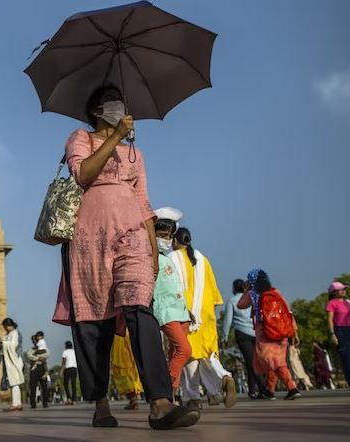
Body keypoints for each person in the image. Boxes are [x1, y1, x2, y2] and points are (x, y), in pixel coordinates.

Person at [53, 86, 199, 430]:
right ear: (97, 110)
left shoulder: (135, 154)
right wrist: (115, 134)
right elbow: (83, 174)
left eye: (123, 102)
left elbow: (144, 201)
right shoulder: (81, 138)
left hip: (132, 235)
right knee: (94, 323)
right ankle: (101, 403)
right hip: (89, 240)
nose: (122, 107)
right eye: (115, 102)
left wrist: (152, 250)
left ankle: (161, 403)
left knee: (139, 310)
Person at [169, 227, 236, 410]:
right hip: (206, 318)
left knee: (188, 357)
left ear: (175, 241)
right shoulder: (203, 259)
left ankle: (194, 398)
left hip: (185, 316)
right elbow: (215, 296)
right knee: (208, 356)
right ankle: (225, 377)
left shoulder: (172, 258)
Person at [237, 269, 301, 400]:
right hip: (282, 331)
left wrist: (247, 289)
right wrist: (294, 331)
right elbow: (288, 312)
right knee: (275, 361)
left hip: (265, 332)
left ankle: (292, 388)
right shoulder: (275, 292)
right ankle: (270, 391)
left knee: (275, 362)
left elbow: (240, 305)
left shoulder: (253, 294)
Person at [151, 208, 193, 399]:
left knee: (174, 352)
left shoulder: (167, 259)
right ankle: (166, 391)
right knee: (185, 350)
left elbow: (176, 288)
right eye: (161, 235)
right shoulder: (150, 258)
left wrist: (188, 310)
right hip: (166, 313)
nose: (165, 239)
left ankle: (172, 396)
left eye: (168, 236)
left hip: (181, 312)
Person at [221, 279, 268, 399]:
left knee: (251, 362)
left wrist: (224, 336)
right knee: (254, 361)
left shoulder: (232, 301)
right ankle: (252, 390)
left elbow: (227, 321)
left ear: (234, 288)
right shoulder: (252, 299)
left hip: (242, 334)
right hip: (256, 332)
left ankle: (263, 389)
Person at [0, 318, 24, 412]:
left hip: (15, 360)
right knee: (13, 382)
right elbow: (5, 345)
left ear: (10, 325)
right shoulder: (7, 334)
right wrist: (0, 343)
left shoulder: (16, 333)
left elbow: (13, 345)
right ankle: (18, 403)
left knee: (14, 382)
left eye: (6, 326)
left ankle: (15, 404)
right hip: (8, 361)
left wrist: (3, 343)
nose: (5, 328)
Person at [110, 328, 143, 410]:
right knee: (130, 368)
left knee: (122, 369)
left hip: (118, 333)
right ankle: (133, 399)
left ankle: (133, 399)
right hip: (128, 332)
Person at [27, 335, 50, 408]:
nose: (34, 341)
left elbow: (47, 355)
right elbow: (29, 356)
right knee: (32, 387)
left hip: (42, 368)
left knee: (44, 387)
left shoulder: (44, 348)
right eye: (33, 340)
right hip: (34, 369)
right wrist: (39, 358)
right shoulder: (31, 349)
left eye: (35, 340)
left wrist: (36, 357)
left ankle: (45, 402)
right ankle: (33, 404)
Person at [60, 341, 78, 405]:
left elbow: (64, 362)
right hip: (74, 368)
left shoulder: (65, 352)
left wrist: (61, 370)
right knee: (74, 384)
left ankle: (69, 398)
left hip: (67, 369)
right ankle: (74, 400)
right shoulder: (74, 352)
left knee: (66, 384)